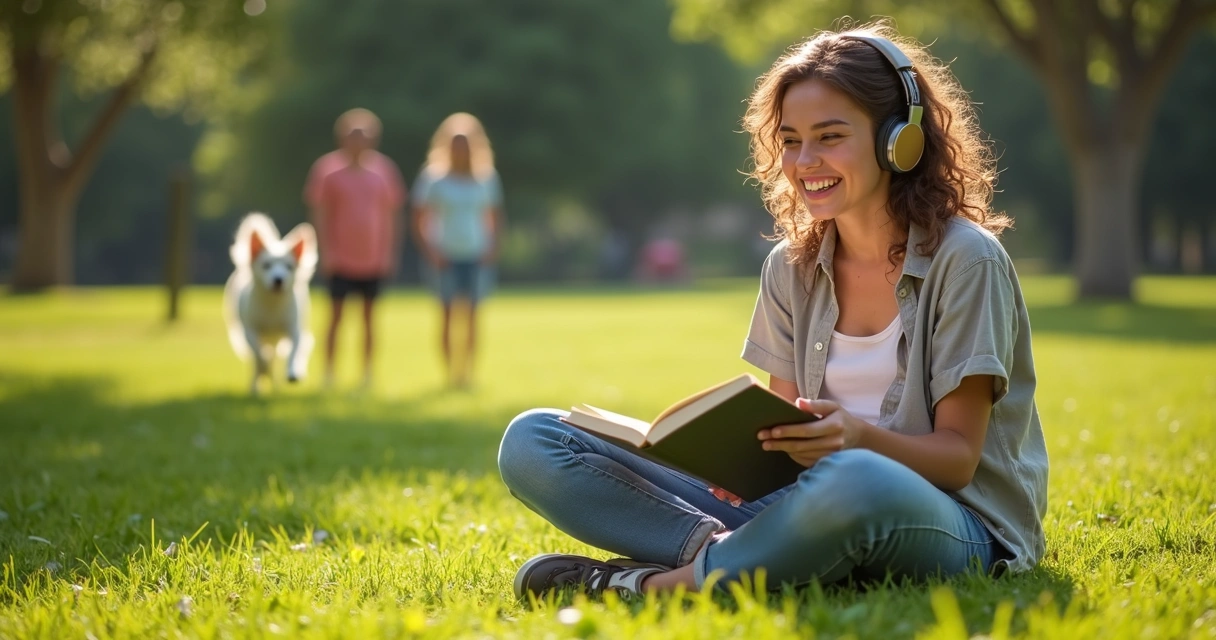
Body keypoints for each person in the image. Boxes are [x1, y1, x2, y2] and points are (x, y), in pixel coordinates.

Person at [497, 22, 1048, 600]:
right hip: (805, 503)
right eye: (789, 141)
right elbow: (779, 434)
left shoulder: (967, 262)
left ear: (898, 141)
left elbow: (958, 460)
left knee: (855, 477)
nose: (805, 161)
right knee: (533, 440)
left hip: (952, 525)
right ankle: (755, 555)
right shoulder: (791, 266)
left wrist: (854, 438)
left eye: (829, 137)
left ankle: (667, 586)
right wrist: (734, 458)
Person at [305, 108, 406, 389]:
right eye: (352, 135)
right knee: (335, 317)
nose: (358, 141)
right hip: (341, 258)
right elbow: (320, 214)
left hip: (372, 259)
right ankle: (328, 373)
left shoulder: (385, 171)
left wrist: (389, 253)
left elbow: (393, 216)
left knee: (369, 319)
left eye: (363, 136)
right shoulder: (327, 171)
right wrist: (326, 252)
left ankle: (366, 374)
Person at [410, 113, 504, 388]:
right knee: (447, 316)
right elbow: (418, 219)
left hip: (476, 254)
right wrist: (431, 251)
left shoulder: (487, 178)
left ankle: (468, 374)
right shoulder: (433, 179)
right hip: (445, 256)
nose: (460, 149)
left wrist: (492, 247)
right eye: (455, 143)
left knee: (474, 317)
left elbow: (496, 217)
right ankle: (450, 375)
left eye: (465, 143)